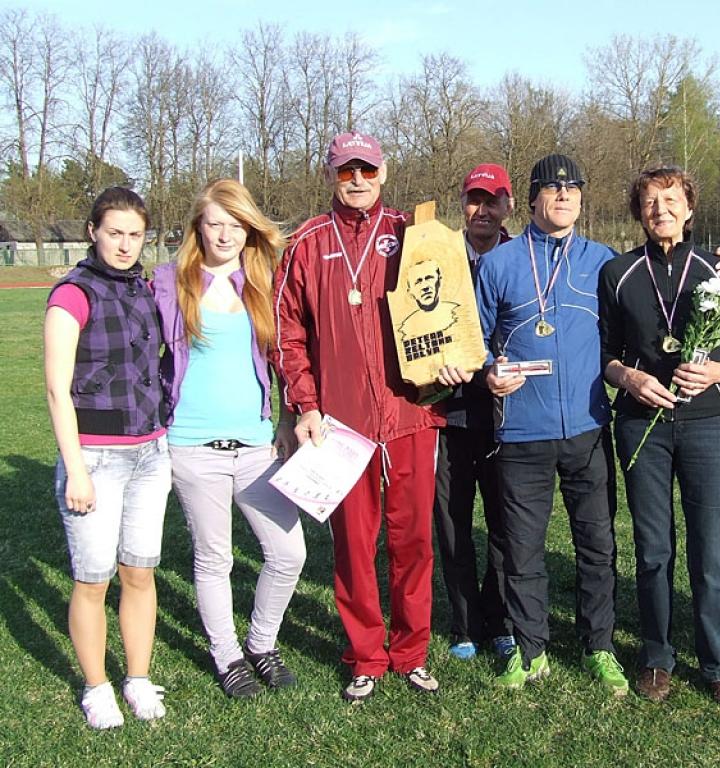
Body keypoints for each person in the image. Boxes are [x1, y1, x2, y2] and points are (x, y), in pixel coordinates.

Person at [274, 131, 445, 702]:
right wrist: (307, 403)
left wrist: (448, 360)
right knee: (353, 545)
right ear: (330, 175)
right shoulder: (305, 243)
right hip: (341, 427)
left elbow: (446, 304)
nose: (358, 181)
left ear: (384, 172)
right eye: (347, 171)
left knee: (414, 541)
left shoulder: (409, 233)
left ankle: (411, 651)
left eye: (367, 171)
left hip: (409, 413)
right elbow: (288, 334)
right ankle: (367, 656)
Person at [599, 166, 720, 707]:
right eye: (648, 201)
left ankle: (719, 663)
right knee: (653, 547)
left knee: (712, 549)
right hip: (643, 423)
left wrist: (716, 372)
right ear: (638, 212)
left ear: (689, 208)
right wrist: (630, 378)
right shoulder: (617, 272)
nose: (660, 209)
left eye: (671, 199)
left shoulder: (717, 270)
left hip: (709, 425)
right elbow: (605, 353)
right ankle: (656, 655)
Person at [472, 153, 629, 696]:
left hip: (587, 428)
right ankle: (529, 645)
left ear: (582, 197)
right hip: (522, 431)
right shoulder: (500, 264)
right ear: (532, 198)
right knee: (522, 547)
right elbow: (476, 342)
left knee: (597, 545)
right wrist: (491, 373)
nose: (563, 195)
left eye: (573, 187)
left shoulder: (604, 261)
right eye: (551, 187)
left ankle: (599, 645)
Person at [153, 179, 306, 698]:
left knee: (288, 554)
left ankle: (262, 643)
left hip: (256, 445)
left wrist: (287, 418)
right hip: (193, 449)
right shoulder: (168, 283)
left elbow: (284, 358)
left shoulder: (262, 283)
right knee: (213, 559)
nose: (224, 233)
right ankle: (228, 657)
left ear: (248, 230)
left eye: (235, 225)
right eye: (214, 222)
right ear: (198, 226)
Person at [44, 187, 170, 729]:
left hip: (150, 453)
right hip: (94, 459)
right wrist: (75, 469)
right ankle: (97, 687)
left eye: (134, 234)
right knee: (93, 580)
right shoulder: (73, 294)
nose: (124, 244)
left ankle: (137, 679)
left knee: (139, 573)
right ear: (93, 231)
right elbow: (56, 389)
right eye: (114, 232)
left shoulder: (144, 289)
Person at [433, 163, 516, 661]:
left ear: (508, 205)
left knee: (507, 520)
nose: (482, 209)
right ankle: (465, 622)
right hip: (452, 413)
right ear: (462, 204)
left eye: (492, 199)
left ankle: (501, 617)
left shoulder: (524, 258)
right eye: (473, 199)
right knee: (452, 519)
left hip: (511, 412)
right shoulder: (438, 259)